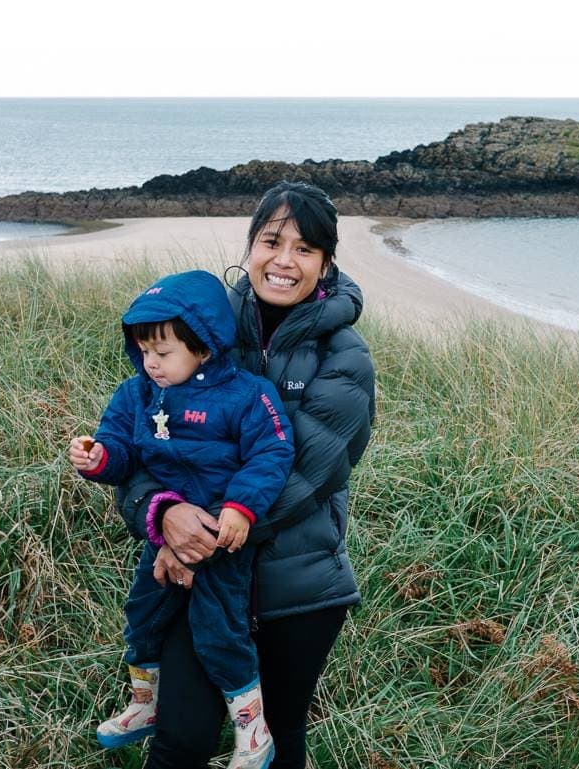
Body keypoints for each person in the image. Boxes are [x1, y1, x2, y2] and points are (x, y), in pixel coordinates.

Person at [116, 181, 376, 769]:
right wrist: (160, 515)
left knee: (278, 742)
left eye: (305, 249)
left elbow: (305, 476)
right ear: (250, 244)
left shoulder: (345, 358)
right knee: (179, 740)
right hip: (198, 585)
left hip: (297, 588)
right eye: (272, 241)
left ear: (326, 261)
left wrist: (192, 545)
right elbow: (137, 442)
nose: (284, 260)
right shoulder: (197, 327)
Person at [68, 269, 295, 768]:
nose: (150, 363)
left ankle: (253, 733)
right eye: (143, 350)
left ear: (205, 346)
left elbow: (272, 452)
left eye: (163, 352)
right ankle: (144, 705)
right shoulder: (135, 396)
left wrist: (239, 508)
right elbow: (123, 454)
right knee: (142, 615)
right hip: (161, 535)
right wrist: (98, 457)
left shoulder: (247, 395)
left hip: (222, 539)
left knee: (218, 632)